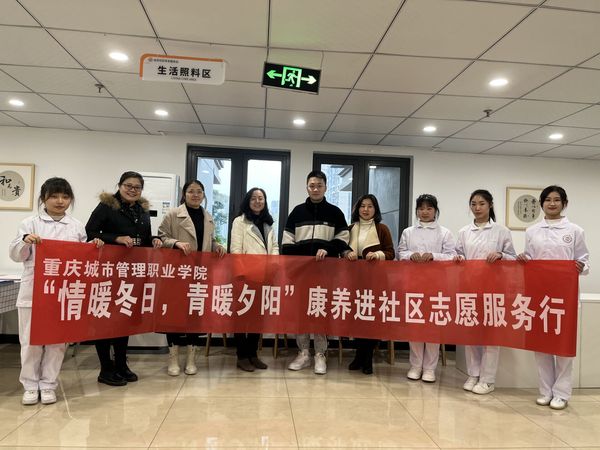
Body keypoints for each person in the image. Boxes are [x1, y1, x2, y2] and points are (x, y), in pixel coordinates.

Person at [9, 177, 103, 405]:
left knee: (57, 341)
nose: (60, 201)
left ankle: (48, 384)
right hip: (34, 291)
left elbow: (83, 261)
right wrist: (25, 241)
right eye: (54, 196)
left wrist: (95, 247)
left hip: (64, 293)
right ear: (44, 198)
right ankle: (30, 386)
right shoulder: (30, 223)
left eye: (65, 196)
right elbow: (16, 255)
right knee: (30, 341)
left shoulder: (76, 226)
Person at [86, 171, 162, 386]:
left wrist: (154, 240)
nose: (132, 190)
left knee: (124, 318)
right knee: (105, 318)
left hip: (131, 271)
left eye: (137, 187)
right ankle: (105, 368)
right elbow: (90, 232)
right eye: (128, 185)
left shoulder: (142, 210)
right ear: (119, 186)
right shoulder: (106, 206)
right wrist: (116, 238)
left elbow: (144, 238)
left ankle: (121, 364)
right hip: (108, 271)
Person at [517, 185, 589, 410]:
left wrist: (581, 266)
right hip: (539, 294)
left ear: (564, 203)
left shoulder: (575, 230)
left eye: (557, 200)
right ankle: (545, 391)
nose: (552, 203)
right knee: (541, 345)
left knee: (562, 345)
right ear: (542, 204)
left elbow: (584, 260)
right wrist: (524, 258)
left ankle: (562, 393)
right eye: (547, 200)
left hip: (564, 296)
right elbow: (531, 258)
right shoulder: (532, 231)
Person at [282, 170, 350, 375]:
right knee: (301, 314)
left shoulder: (335, 212)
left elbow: (343, 239)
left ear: (325, 187)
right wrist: (305, 257)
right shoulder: (296, 212)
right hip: (300, 274)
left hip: (325, 274)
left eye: (319, 185)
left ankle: (321, 354)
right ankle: (303, 353)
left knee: (320, 312)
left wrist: (327, 249)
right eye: (312, 185)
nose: (315, 189)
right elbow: (286, 244)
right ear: (307, 187)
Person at [158, 180, 226, 376]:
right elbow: (161, 237)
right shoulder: (173, 214)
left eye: (199, 192)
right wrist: (176, 243)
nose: (195, 195)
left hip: (200, 274)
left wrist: (217, 246)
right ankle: (173, 358)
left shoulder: (208, 217)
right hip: (178, 273)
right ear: (184, 194)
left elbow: (209, 241)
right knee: (174, 315)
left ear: (203, 195)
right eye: (191, 191)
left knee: (195, 315)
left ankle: (190, 358)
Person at [455, 189, 516, 395]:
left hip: (493, 289)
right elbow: (458, 254)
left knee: (490, 336)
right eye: (473, 204)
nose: (477, 208)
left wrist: (501, 255)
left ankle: (488, 380)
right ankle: (473, 374)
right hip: (470, 288)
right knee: (472, 334)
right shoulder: (464, 232)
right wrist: (458, 258)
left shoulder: (501, 231)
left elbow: (513, 258)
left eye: (481, 203)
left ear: (490, 205)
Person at [397, 194, 456, 383]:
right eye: (421, 208)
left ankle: (430, 368)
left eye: (429, 208)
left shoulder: (445, 233)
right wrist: (411, 255)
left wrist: (433, 256)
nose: (425, 212)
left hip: (436, 285)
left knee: (432, 326)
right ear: (416, 211)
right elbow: (400, 252)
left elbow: (451, 256)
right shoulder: (408, 232)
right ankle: (415, 366)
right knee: (414, 325)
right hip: (413, 284)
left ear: (435, 211)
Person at [230, 187, 279, 372]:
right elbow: (235, 249)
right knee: (242, 317)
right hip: (245, 277)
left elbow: (274, 246)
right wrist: (241, 274)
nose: (258, 201)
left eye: (261, 198)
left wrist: (274, 263)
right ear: (247, 201)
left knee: (258, 318)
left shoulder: (268, 223)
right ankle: (242, 356)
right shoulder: (239, 222)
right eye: (254, 198)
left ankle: (253, 354)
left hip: (265, 276)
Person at [344, 194, 394, 375]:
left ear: (375, 209)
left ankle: (367, 358)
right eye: (362, 206)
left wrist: (378, 255)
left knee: (371, 319)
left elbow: (391, 253)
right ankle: (359, 355)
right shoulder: (350, 228)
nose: (365, 209)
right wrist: (346, 253)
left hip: (375, 281)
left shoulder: (382, 229)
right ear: (357, 209)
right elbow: (342, 248)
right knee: (357, 318)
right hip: (354, 280)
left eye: (370, 206)